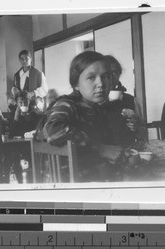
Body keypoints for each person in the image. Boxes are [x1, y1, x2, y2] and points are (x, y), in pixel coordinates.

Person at [35, 51, 134, 182]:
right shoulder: (66, 104)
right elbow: (52, 129)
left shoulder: (97, 110)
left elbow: (110, 147)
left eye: (106, 76)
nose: (101, 83)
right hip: (67, 184)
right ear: (76, 84)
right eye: (91, 77)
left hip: (93, 177)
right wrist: (100, 148)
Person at [104, 55, 146, 144]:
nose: (111, 77)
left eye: (114, 72)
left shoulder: (131, 100)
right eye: (106, 73)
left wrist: (137, 127)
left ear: (119, 74)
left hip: (127, 150)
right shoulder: (92, 102)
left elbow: (143, 134)